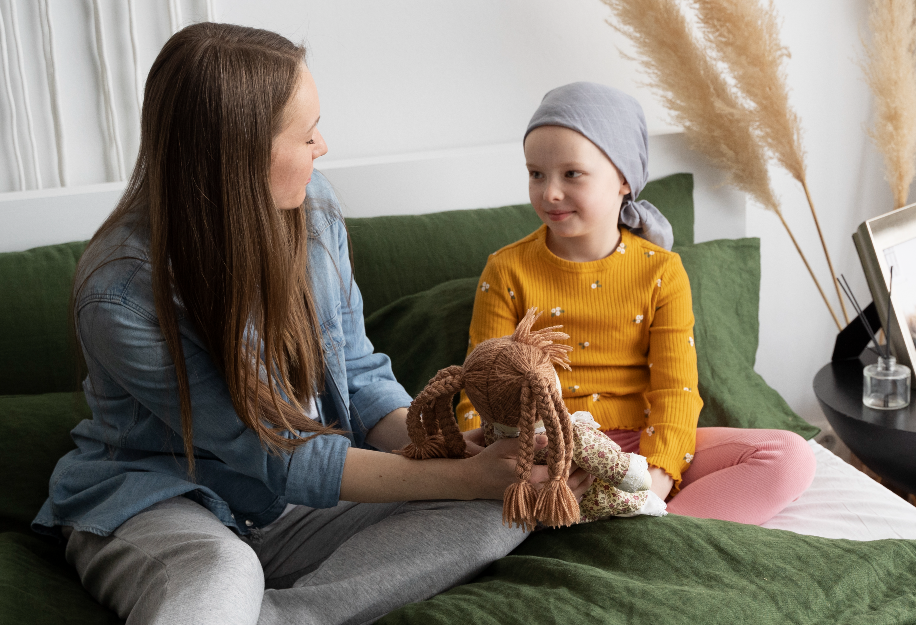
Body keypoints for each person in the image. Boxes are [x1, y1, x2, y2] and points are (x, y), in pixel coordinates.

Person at [31, 24, 592, 625]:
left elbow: (357, 374)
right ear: (239, 154)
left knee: (511, 503)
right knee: (223, 573)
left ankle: (281, 616)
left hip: (297, 506)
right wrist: (461, 475)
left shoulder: (312, 205)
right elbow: (280, 454)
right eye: (305, 134)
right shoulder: (122, 294)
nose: (322, 146)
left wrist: (453, 453)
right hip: (164, 501)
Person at [456, 81, 816, 525]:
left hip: (641, 453)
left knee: (790, 457)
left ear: (624, 179)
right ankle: (618, 530)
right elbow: (482, 384)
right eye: (536, 173)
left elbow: (676, 389)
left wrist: (655, 482)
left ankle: (649, 532)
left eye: (571, 174)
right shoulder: (506, 269)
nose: (549, 192)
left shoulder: (661, 271)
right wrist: (489, 460)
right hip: (547, 453)